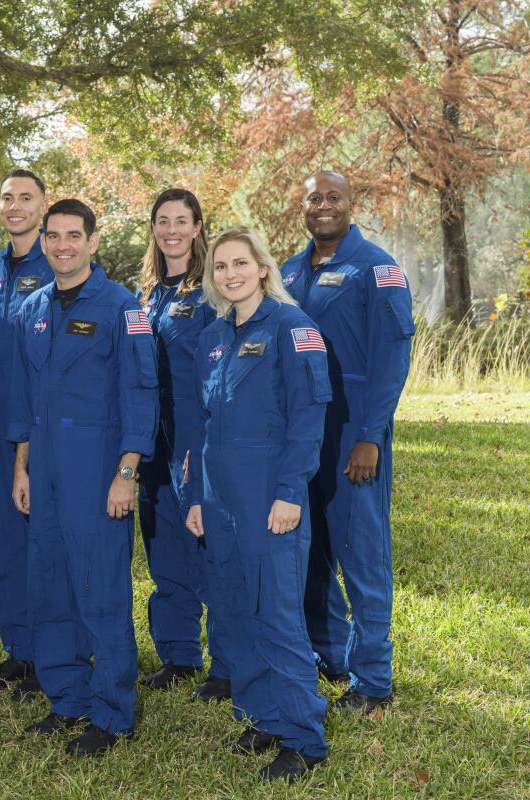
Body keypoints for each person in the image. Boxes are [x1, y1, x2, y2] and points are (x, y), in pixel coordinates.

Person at [8, 199, 159, 757]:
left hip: (98, 468)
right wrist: (22, 465)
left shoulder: (123, 309)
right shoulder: (34, 309)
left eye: (75, 235)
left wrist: (127, 471)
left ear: (93, 242)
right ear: (43, 241)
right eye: (54, 235)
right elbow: (26, 397)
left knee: (99, 589)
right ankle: (66, 697)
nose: (63, 245)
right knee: (50, 585)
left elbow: (142, 397)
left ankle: (113, 713)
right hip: (45, 467)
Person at [185, 227, 332, 782]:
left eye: (239, 264)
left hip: (270, 496)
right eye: (220, 267)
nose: (230, 274)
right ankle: (263, 716)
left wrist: (291, 493)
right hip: (220, 499)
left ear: (263, 268)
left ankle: (303, 737)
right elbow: (205, 424)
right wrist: (197, 496)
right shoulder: (213, 338)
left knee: (276, 616)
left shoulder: (293, 328)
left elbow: (307, 420)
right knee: (234, 609)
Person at [281, 171, 415, 712]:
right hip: (301, 435)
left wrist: (369, 436)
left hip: (353, 431)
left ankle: (373, 681)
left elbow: (392, 359)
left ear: (351, 203)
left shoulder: (377, 269)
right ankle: (331, 656)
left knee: (362, 557)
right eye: (314, 198)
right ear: (303, 205)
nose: (323, 206)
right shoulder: (289, 270)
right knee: (311, 555)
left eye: (333, 197)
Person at [134, 189, 230, 703]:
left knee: (207, 545)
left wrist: (206, 439)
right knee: (164, 544)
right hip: (152, 434)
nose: (171, 230)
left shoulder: (214, 290)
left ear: (197, 227)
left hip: (195, 428)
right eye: (162, 221)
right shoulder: (147, 293)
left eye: (181, 221)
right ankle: (179, 653)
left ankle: (228, 661)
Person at [0, 169, 54, 699]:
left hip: (47, 426)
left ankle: (55, 655)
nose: (15, 205)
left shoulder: (60, 264)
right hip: (1, 423)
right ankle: (20, 652)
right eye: (7, 197)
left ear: (44, 206)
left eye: (26, 197)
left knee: (44, 540)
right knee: (5, 543)